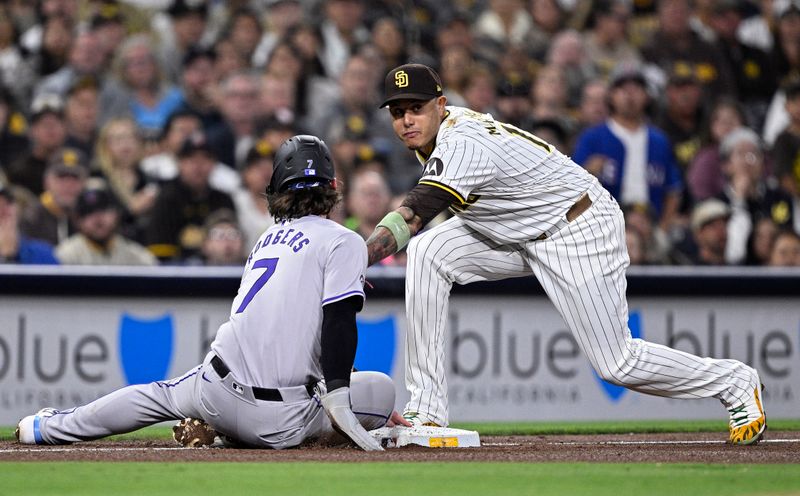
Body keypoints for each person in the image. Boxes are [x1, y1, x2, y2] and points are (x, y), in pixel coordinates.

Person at [365, 63, 767, 445]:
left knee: (617, 363)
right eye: (397, 112)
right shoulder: (439, 135)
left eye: (416, 108)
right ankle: (427, 411)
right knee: (429, 252)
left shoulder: (461, 144)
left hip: (577, 227)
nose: (406, 121)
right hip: (518, 231)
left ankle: (734, 382)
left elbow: (413, 214)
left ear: (441, 105)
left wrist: (353, 259)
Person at [16, 135, 393, 451]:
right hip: (281, 422)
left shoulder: (265, 239)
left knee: (155, 395)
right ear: (332, 186)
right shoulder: (345, 240)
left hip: (216, 390)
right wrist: (344, 399)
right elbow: (338, 323)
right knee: (381, 390)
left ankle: (45, 428)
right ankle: (232, 435)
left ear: (277, 189)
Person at [55, 187, 157, 266]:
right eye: (88, 213)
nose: (98, 219)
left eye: (104, 211)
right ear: (78, 221)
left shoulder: (137, 256)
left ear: (116, 215)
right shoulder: (65, 255)